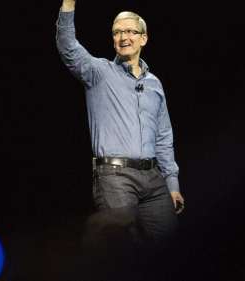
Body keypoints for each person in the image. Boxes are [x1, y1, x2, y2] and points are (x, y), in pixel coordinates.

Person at [56, 0, 184, 250]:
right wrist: (69, 3)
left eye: (130, 31)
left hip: (154, 179)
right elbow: (67, 46)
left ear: (143, 38)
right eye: (117, 32)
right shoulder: (99, 72)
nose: (123, 37)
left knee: (172, 248)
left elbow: (163, 137)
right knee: (123, 249)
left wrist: (172, 185)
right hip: (115, 178)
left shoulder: (155, 84)